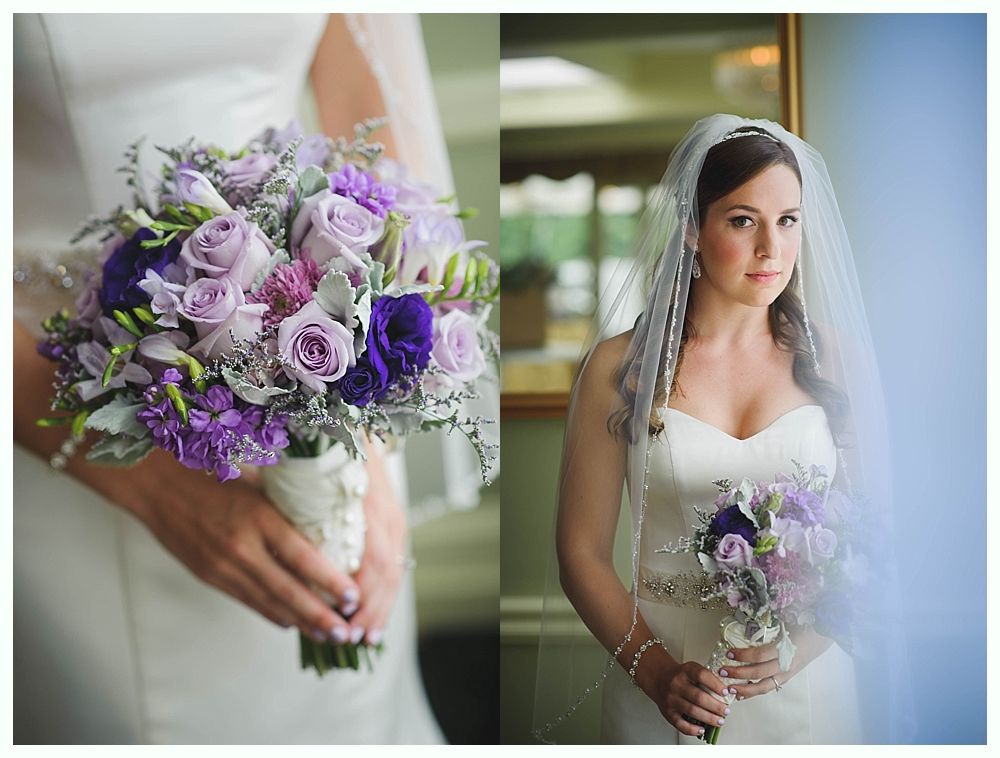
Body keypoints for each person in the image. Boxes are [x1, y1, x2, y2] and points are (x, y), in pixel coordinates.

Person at [13, 13, 458, 744]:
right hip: (58, 428)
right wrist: (155, 489)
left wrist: (367, 437)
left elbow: (385, 151)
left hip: (324, 416)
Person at [532, 114, 913, 744]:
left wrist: (804, 647)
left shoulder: (838, 362)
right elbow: (581, 555)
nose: (772, 248)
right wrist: (656, 676)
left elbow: (879, 536)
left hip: (807, 692)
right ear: (690, 230)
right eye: (743, 220)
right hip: (664, 684)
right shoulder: (619, 368)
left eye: (787, 220)